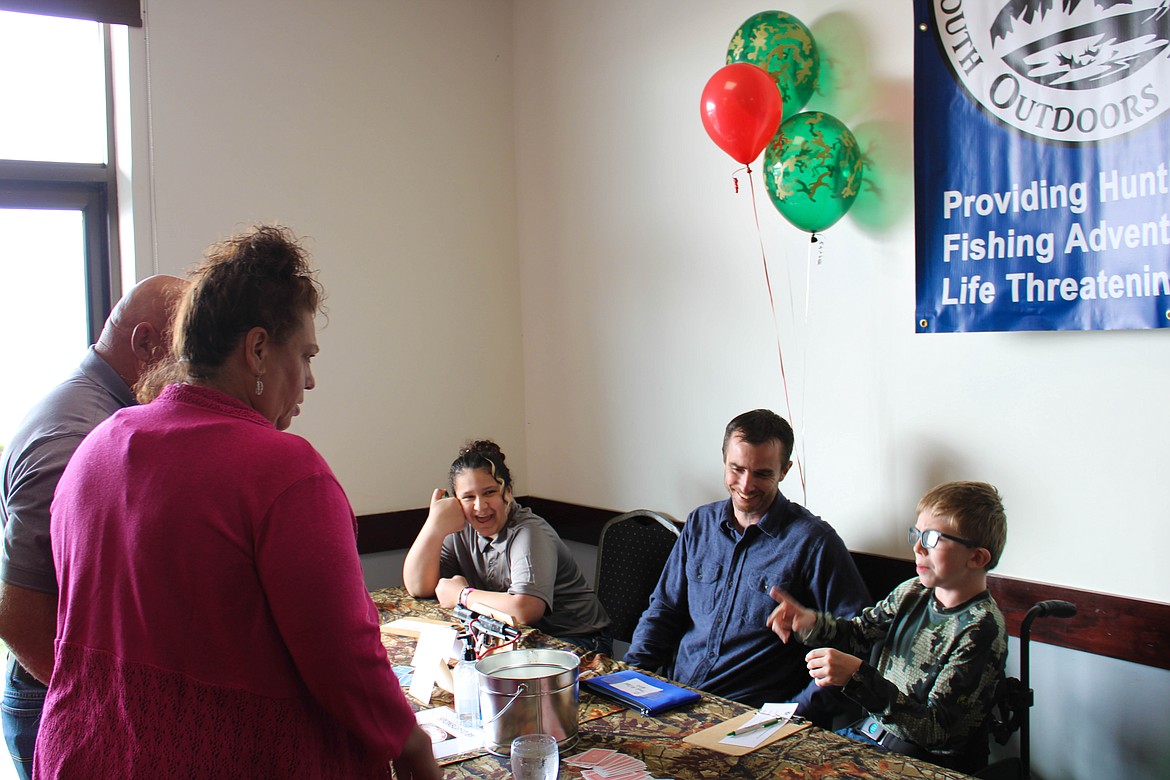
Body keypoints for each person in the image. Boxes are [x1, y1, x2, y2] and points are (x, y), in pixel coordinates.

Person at [35, 226, 439, 779]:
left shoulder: (98, 448)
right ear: (256, 350)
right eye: (305, 354)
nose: (310, 380)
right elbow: (344, 660)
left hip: (81, 753)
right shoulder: (286, 473)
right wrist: (410, 745)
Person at [0, 274, 187, 780]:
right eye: (187, 353)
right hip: (56, 698)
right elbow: (16, 612)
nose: (195, 374)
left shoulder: (102, 413)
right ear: (146, 342)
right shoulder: (76, 433)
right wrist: (91, 706)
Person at [625, 409, 869, 726]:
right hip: (673, 697)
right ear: (724, 460)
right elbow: (664, 609)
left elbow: (855, 644)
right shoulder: (700, 522)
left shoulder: (814, 542)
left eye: (762, 474)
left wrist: (795, 713)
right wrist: (632, 676)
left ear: (785, 471)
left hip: (750, 717)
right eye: (736, 469)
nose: (746, 484)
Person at [766, 481, 1008, 773]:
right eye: (917, 535)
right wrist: (811, 623)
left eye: (932, 538)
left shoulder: (981, 627)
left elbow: (936, 731)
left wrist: (857, 677)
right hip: (869, 738)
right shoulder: (913, 591)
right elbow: (859, 634)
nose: (917, 548)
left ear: (977, 557)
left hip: (922, 762)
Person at [403, 440, 612, 656]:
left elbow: (525, 609)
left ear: (508, 492)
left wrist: (462, 595)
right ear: (456, 501)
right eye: (468, 497)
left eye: (490, 493)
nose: (480, 506)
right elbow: (419, 587)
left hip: (578, 639)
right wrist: (433, 526)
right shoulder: (459, 528)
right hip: (515, 636)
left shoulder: (528, 532)